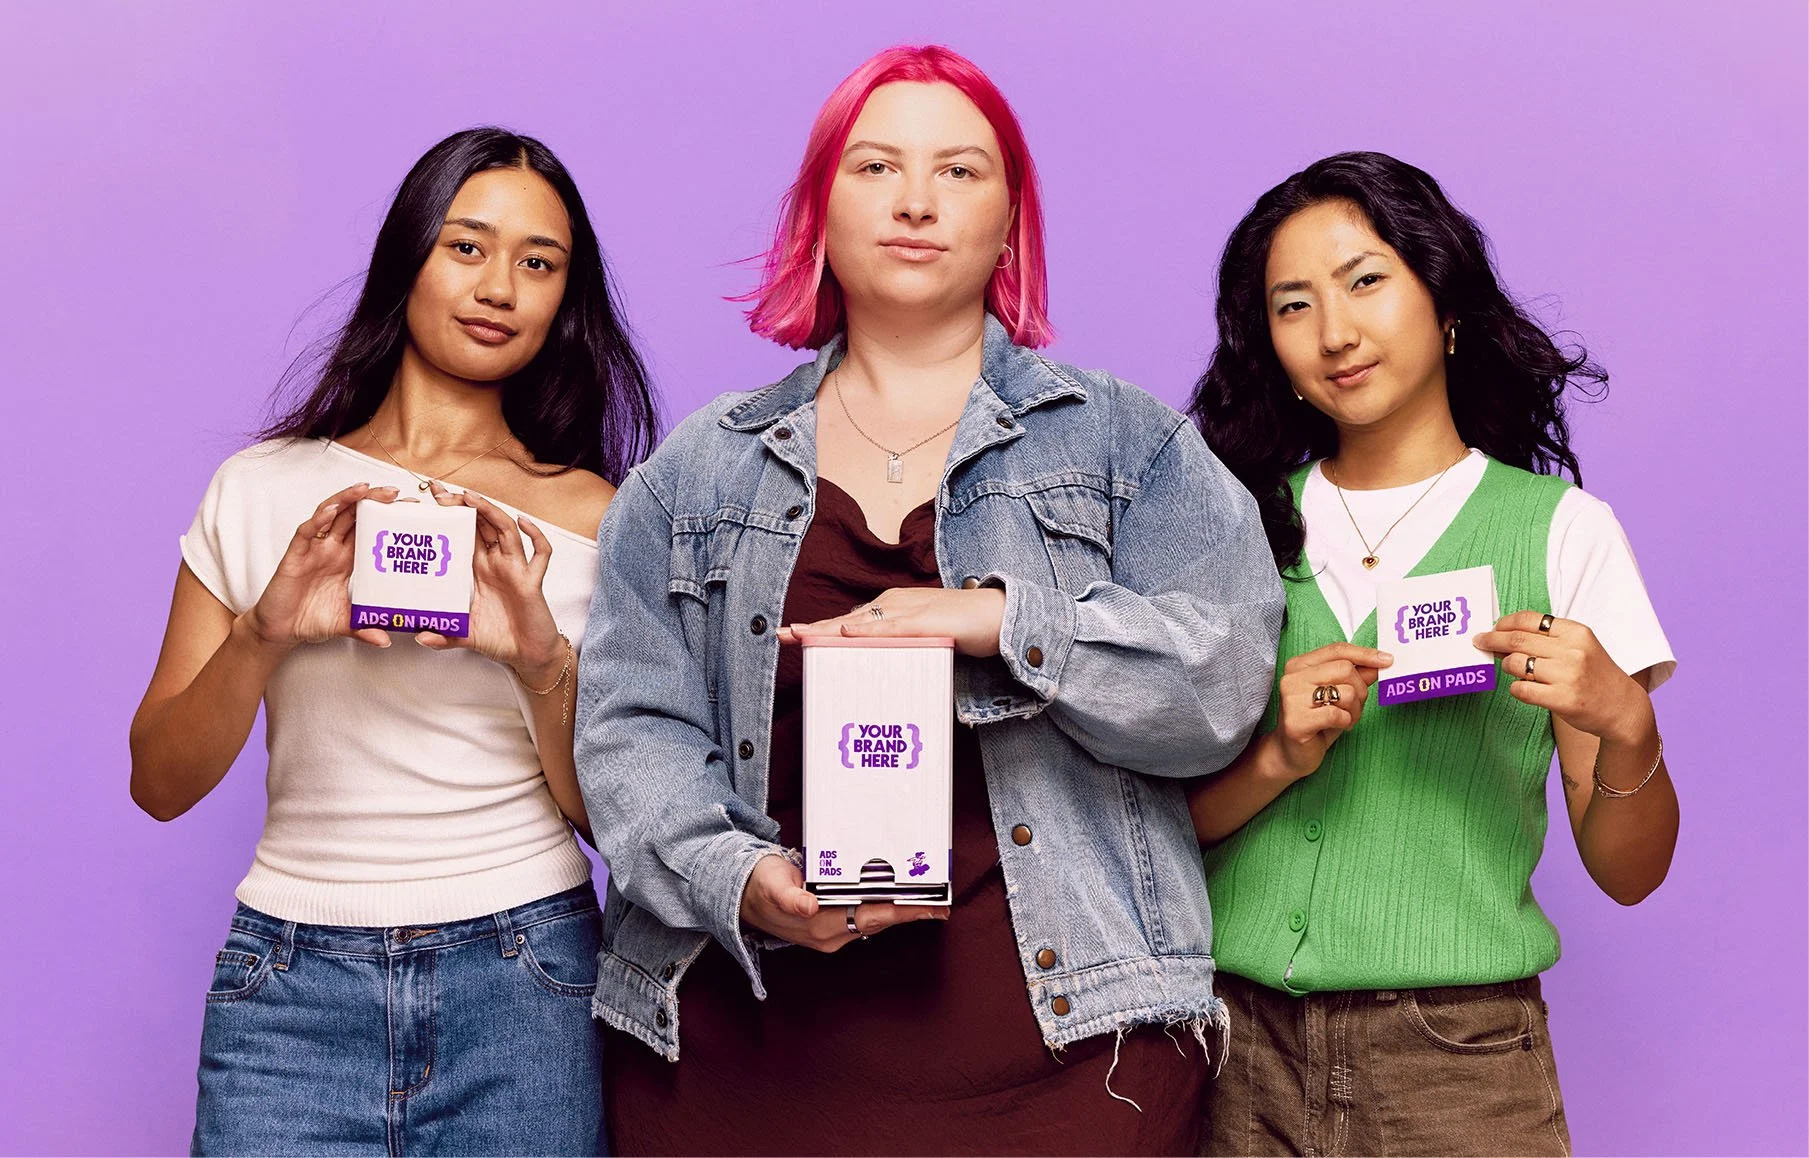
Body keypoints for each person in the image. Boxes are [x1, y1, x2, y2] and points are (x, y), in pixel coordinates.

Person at [575, 44, 1282, 1156]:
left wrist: (1007, 622)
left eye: (959, 171)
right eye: (874, 168)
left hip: (1068, 1063)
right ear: (820, 209)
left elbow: (1223, 681)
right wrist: (746, 881)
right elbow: (631, 731)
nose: (915, 202)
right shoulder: (695, 474)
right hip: (743, 1056)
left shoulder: (1128, 445)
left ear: (1011, 222)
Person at [129, 127, 659, 1156]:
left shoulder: (597, 515)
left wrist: (539, 660)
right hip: (287, 988)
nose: (498, 286)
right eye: (467, 247)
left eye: (537, 263)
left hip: (527, 979)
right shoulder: (263, 489)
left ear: (563, 303)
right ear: (406, 257)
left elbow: (621, 825)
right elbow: (158, 781)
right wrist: (265, 635)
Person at [1186, 151, 1679, 1157]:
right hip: (1232, 1053)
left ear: (1442, 297)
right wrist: (1275, 755)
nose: (1335, 332)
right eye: (1292, 306)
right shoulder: (1227, 525)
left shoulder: (1561, 533)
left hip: (1458, 1062)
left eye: (1367, 281)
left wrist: (1627, 723)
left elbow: (1629, 873)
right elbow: (1149, 832)